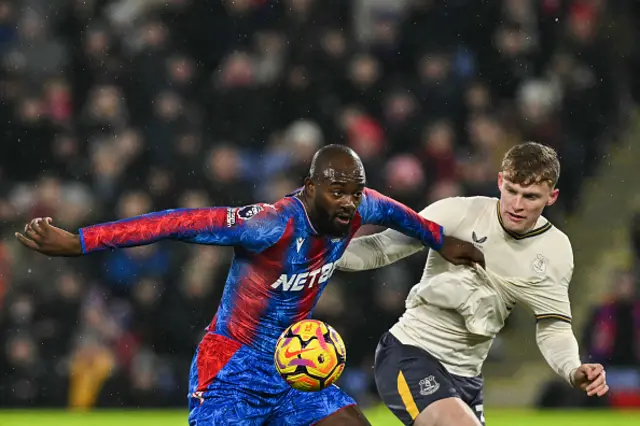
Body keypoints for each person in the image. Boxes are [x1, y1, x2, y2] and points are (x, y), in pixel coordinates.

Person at [15, 144, 484, 426]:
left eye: (355, 192)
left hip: (292, 366)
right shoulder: (268, 225)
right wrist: (80, 241)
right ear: (309, 186)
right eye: (336, 192)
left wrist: (443, 242)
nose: (348, 203)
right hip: (230, 371)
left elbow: (404, 217)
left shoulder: (363, 207)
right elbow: (175, 223)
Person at [337, 142, 609, 426]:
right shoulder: (458, 214)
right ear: (500, 181)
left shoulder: (555, 250)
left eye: (530, 197)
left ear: (551, 197)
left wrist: (571, 368)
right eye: (511, 191)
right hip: (411, 353)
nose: (517, 205)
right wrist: (316, 252)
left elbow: (553, 326)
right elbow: (382, 248)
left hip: (467, 378)